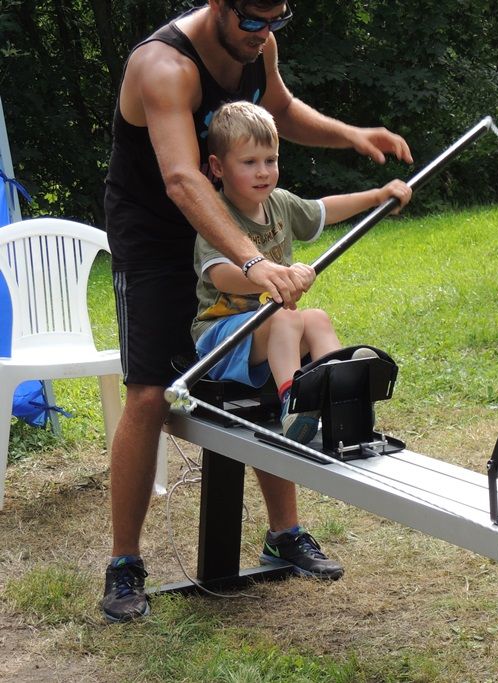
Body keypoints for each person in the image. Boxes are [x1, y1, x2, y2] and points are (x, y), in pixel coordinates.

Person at [101, 0, 412, 624]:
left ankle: (285, 532)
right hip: (159, 236)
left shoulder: (257, 42)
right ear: (217, 4)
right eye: (252, 21)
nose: (264, 34)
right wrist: (253, 263)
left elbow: (282, 111)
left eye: (277, 20)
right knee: (149, 396)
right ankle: (125, 561)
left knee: (280, 360)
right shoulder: (164, 67)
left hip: (239, 223)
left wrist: (350, 134)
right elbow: (185, 179)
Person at [193, 101, 411, 446]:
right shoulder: (216, 215)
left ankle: (345, 399)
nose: (263, 171)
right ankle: (294, 406)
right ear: (218, 167)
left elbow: (322, 210)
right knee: (288, 318)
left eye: (271, 160)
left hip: (267, 330)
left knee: (317, 318)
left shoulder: (279, 203)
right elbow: (219, 275)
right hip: (221, 339)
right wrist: (275, 274)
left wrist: (377, 196)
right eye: (249, 163)